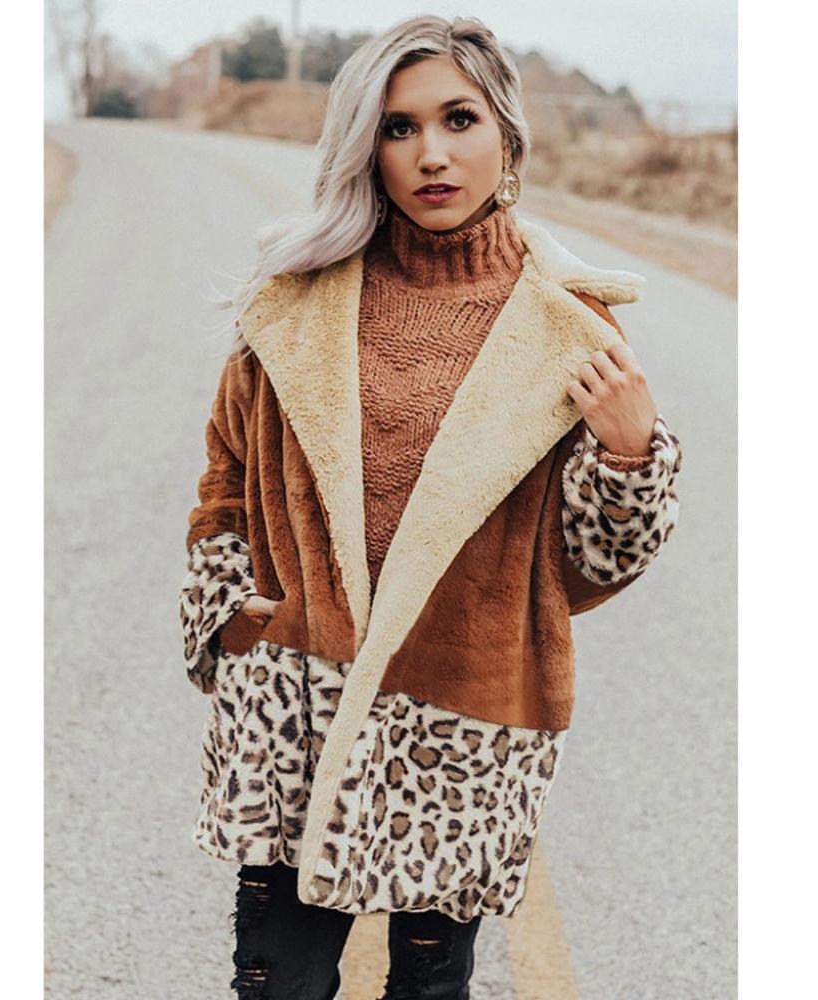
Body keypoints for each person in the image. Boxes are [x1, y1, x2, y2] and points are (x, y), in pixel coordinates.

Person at [179, 14, 683, 1000]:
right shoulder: (294, 303)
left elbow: (585, 568)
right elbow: (225, 481)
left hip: (460, 723)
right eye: (398, 127)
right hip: (296, 702)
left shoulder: (569, 330)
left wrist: (629, 455)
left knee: (426, 991)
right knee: (277, 987)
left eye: (458, 119)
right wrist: (231, 619)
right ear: (366, 147)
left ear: (508, 136)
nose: (431, 154)